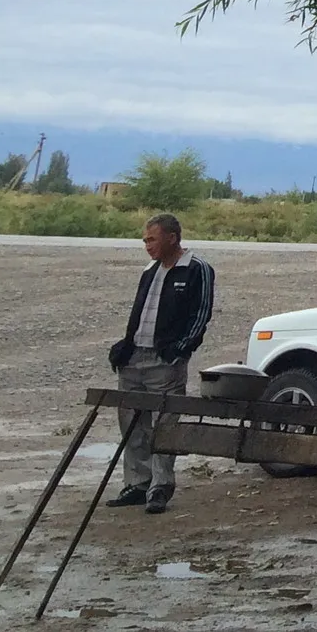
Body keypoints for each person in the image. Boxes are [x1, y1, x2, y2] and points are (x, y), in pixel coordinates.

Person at [107, 214, 215, 515]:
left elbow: (201, 315)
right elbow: (140, 311)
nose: (147, 245)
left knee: (165, 424)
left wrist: (179, 351)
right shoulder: (150, 269)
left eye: (151, 239)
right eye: (145, 240)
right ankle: (138, 483)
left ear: (172, 238)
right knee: (132, 423)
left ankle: (160, 487)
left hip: (165, 361)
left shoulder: (197, 269)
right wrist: (125, 348)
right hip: (135, 358)